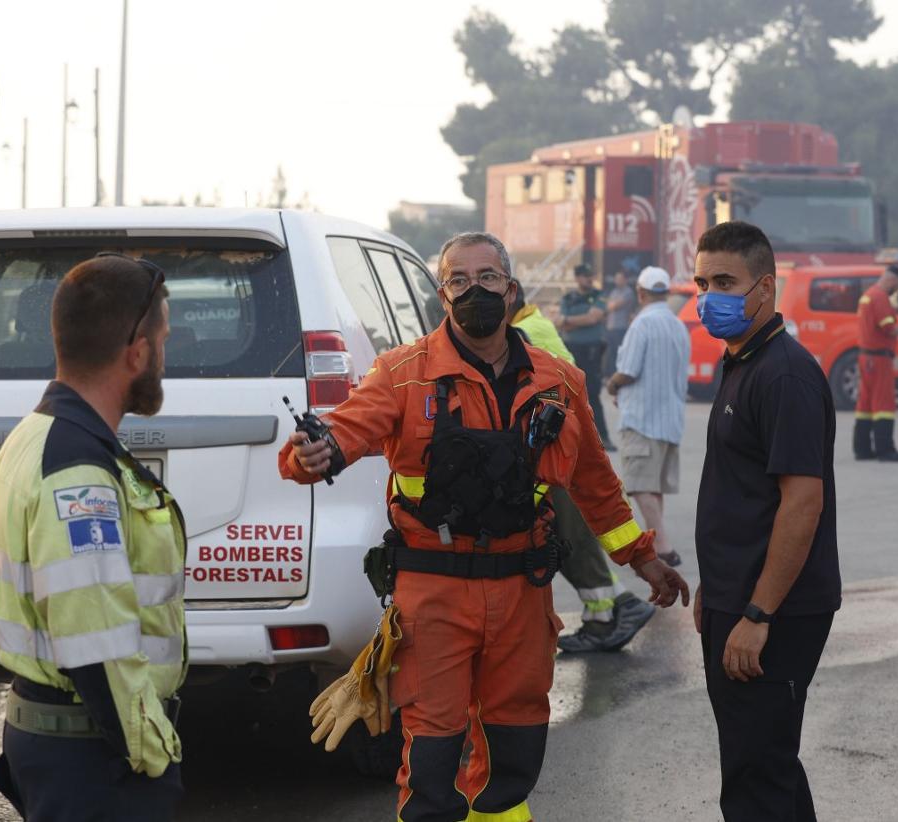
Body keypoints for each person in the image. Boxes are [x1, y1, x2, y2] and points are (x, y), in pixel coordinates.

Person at [281, 232, 688, 822]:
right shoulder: (401, 374)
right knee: (432, 755)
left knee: (514, 748)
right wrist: (310, 455)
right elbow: (341, 432)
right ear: (442, 296)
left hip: (522, 592)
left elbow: (597, 487)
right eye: (459, 280)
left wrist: (644, 559)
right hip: (433, 597)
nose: (475, 290)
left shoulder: (559, 382)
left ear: (512, 288)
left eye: (488, 277)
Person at [0, 252, 186, 821]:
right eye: (163, 342)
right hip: (93, 757)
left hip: (61, 742)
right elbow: (93, 643)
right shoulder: (77, 470)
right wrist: (152, 758)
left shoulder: (38, 432)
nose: (163, 360)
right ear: (138, 353)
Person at [692, 221, 842, 821]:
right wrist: (719, 586)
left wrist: (757, 614)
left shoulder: (784, 374)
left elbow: (802, 502)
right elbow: (741, 493)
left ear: (766, 288)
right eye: (702, 281)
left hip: (774, 611)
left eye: (725, 281)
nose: (710, 296)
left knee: (756, 774)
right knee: (761, 761)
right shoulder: (742, 361)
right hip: (739, 596)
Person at [508, 282, 657, 653]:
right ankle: (616, 607)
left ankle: (608, 613)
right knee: (565, 536)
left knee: (567, 537)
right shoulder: (534, 324)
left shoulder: (525, 333)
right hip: (559, 444)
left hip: (557, 449)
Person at [605, 266, 691, 568]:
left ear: (640, 293)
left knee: (640, 485)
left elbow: (628, 370)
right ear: (665, 293)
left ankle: (664, 547)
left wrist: (611, 384)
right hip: (669, 421)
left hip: (642, 419)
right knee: (652, 487)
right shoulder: (678, 326)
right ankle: (657, 539)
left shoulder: (642, 325)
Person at [854, 265, 898, 462]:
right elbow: (888, 327)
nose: (896, 291)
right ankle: (885, 449)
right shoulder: (880, 297)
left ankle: (862, 448)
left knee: (865, 404)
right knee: (884, 403)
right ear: (892, 280)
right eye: (897, 286)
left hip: (866, 357)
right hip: (879, 358)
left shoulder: (867, 295)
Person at [558, 263, 615, 450]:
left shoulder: (599, 295)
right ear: (577, 277)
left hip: (592, 352)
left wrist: (569, 320)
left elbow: (594, 317)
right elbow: (560, 322)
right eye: (584, 276)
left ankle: (603, 438)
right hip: (571, 350)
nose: (589, 279)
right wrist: (579, 320)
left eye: (590, 275)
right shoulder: (568, 297)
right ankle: (572, 440)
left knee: (593, 394)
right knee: (569, 395)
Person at [603, 269, 637, 378]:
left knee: (619, 353)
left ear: (625, 280)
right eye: (616, 279)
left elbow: (613, 306)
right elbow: (608, 306)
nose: (617, 281)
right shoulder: (614, 292)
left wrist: (611, 304)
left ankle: (618, 375)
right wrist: (610, 305)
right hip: (611, 327)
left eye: (620, 279)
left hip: (621, 327)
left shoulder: (628, 292)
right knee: (610, 353)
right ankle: (610, 375)